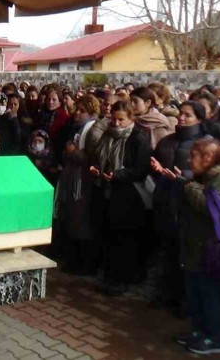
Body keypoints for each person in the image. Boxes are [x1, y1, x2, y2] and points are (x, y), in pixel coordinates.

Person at [175, 139, 220, 355]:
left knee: (209, 295)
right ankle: (198, 331)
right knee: (195, 293)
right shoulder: (206, 176)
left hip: (211, 248)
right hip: (196, 245)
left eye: (194, 156)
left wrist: (190, 186)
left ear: (209, 158)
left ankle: (214, 339)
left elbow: (212, 207)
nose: (189, 160)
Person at [149, 101, 212, 312]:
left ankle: (184, 300)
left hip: (188, 204)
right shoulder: (168, 140)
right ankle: (164, 292)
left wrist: (182, 176)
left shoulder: (206, 143)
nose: (182, 118)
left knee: (186, 254)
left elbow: (210, 175)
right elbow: (154, 163)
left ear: (199, 119)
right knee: (166, 251)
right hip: (165, 200)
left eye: (188, 115)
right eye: (181, 114)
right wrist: (157, 170)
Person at [91, 101, 152, 296]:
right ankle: (109, 277)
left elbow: (141, 169)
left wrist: (118, 175)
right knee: (109, 236)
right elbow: (99, 156)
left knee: (125, 240)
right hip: (107, 192)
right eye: (114, 119)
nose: (116, 124)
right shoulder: (107, 134)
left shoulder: (138, 138)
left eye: (121, 120)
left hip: (128, 195)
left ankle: (123, 279)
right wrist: (98, 169)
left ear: (130, 119)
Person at [55, 95, 103, 276]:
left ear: (91, 112)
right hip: (73, 177)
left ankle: (84, 263)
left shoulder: (93, 130)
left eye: (82, 111)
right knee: (73, 218)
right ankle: (74, 259)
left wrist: (73, 152)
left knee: (81, 221)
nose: (77, 113)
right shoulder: (78, 128)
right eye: (77, 109)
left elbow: (92, 158)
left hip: (83, 182)